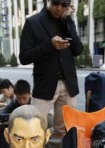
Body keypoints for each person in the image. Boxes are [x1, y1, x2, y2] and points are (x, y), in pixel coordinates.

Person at [19, 0, 83, 139]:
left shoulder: (67, 22)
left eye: (64, 5)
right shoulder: (33, 22)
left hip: (68, 85)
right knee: (34, 128)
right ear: (48, 1)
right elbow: (24, 57)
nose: (59, 8)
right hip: (45, 84)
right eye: (56, 3)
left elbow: (78, 50)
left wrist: (68, 22)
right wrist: (50, 45)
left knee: (63, 130)